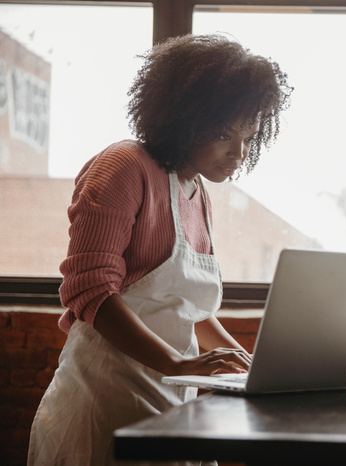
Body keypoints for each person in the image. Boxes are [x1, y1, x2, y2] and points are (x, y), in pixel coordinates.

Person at [28, 34, 292, 465]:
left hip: (169, 400)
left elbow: (188, 306)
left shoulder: (198, 191)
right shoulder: (124, 166)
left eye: (249, 135)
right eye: (225, 134)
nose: (239, 153)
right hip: (103, 402)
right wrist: (178, 363)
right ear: (184, 117)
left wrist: (244, 363)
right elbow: (90, 290)